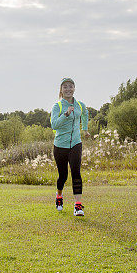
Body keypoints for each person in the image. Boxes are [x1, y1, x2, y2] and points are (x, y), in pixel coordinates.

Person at [50, 77, 90, 216]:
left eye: (70, 86)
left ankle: (78, 206)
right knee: (63, 175)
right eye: (65, 86)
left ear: (74, 88)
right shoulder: (58, 106)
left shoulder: (80, 105)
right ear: (61, 90)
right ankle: (59, 196)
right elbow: (54, 125)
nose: (68, 89)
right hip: (60, 145)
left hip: (76, 144)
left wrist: (85, 129)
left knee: (76, 172)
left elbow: (85, 114)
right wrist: (66, 115)